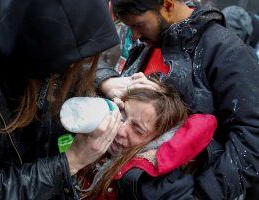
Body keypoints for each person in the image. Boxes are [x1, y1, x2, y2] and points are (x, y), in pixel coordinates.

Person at [95, 0, 259, 199]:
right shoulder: (150, 42)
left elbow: (252, 133)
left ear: (168, 5)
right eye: (130, 28)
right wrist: (106, 80)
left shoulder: (225, 50)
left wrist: (204, 194)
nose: (135, 36)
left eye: (138, 25)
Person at [0, 0, 121, 199]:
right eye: (70, 64)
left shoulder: (19, 30)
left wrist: (105, 79)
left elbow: (74, 47)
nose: (72, 68)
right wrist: (71, 161)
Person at [77, 83, 217, 199]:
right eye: (122, 115)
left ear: (158, 141)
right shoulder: (93, 135)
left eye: (138, 130)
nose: (120, 131)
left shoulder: (153, 186)